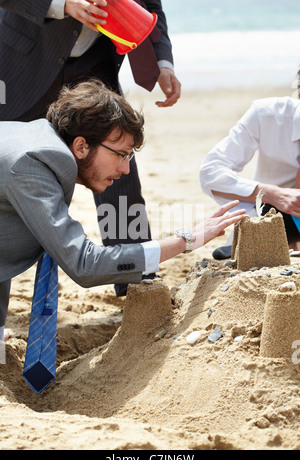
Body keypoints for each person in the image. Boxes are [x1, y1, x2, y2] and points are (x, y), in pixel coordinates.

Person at [0, 79, 246, 343]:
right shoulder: (32, 164)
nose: (126, 169)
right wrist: (186, 240)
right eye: (120, 154)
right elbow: (85, 264)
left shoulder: (33, 138)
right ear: (81, 146)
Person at [0, 0, 181, 296]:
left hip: (94, 67)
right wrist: (62, 4)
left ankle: (138, 287)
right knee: (4, 162)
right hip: (22, 62)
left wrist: (162, 63)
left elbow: (150, 7)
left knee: (120, 171)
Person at [200, 95, 300, 260]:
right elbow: (210, 172)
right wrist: (274, 194)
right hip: (270, 212)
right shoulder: (266, 115)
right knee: (241, 255)